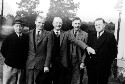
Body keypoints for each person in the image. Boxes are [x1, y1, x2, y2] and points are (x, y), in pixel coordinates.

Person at [50, 17, 95, 84]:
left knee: (64, 80)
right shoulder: (48, 34)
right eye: (56, 22)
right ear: (53, 23)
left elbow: (76, 41)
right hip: (51, 62)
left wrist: (87, 47)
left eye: (60, 23)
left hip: (64, 62)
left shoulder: (65, 34)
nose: (58, 24)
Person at [84, 18, 117, 84]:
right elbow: (87, 49)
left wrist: (107, 63)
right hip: (91, 66)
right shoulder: (91, 36)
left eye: (100, 24)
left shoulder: (110, 36)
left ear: (104, 25)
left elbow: (114, 52)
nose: (98, 26)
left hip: (103, 67)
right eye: (96, 25)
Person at [1, 17, 29, 84]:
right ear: (13, 26)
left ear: (22, 27)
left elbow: (26, 51)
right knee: (8, 82)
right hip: (10, 66)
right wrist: (10, 59)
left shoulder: (26, 38)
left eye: (20, 26)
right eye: (16, 26)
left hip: (21, 66)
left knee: (19, 82)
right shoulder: (8, 38)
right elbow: (3, 50)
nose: (18, 28)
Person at [26, 15, 52, 84]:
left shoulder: (48, 34)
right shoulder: (28, 34)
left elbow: (49, 51)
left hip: (41, 65)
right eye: (39, 22)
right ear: (35, 22)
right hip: (29, 64)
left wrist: (46, 65)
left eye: (43, 23)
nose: (41, 25)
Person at [69, 17, 87, 84]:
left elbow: (86, 51)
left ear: (80, 24)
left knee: (78, 80)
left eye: (78, 23)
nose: (77, 25)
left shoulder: (85, 35)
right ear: (72, 24)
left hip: (79, 60)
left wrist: (82, 62)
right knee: (68, 78)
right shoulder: (67, 33)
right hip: (69, 60)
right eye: (75, 23)